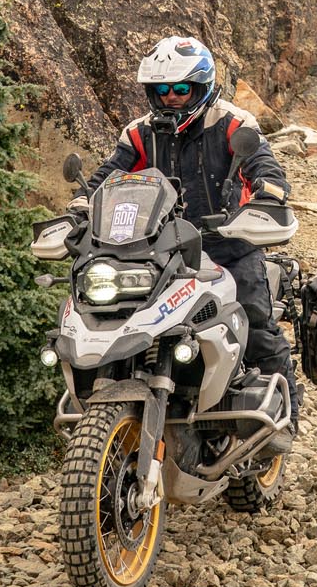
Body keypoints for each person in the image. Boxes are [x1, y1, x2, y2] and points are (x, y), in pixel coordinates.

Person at [80, 35, 303, 432]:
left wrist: (269, 197)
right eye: (161, 90)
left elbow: (264, 167)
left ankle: (284, 422)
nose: (171, 98)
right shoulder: (140, 133)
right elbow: (107, 177)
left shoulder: (232, 123)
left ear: (200, 87)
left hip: (229, 245)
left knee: (255, 324)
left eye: (181, 89)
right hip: (162, 249)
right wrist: (81, 206)